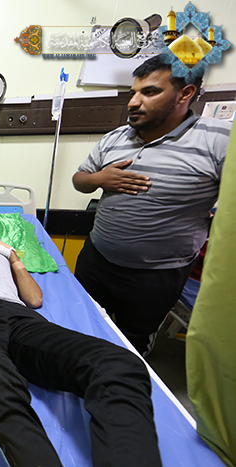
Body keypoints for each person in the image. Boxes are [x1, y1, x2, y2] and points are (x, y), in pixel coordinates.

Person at [0, 208, 162, 467]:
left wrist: (11, 255)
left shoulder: (2, 252)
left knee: (118, 364)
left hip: (19, 317)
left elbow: (34, 299)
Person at [72, 55, 231, 355]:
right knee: (79, 326)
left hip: (157, 276)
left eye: (149, 92)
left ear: (185, 93)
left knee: (132, 345)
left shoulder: (220, 141)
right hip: (97, 260)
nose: (133, 102)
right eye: (133, 92)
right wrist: (99, 179)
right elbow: (80, 180)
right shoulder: (114, 139)